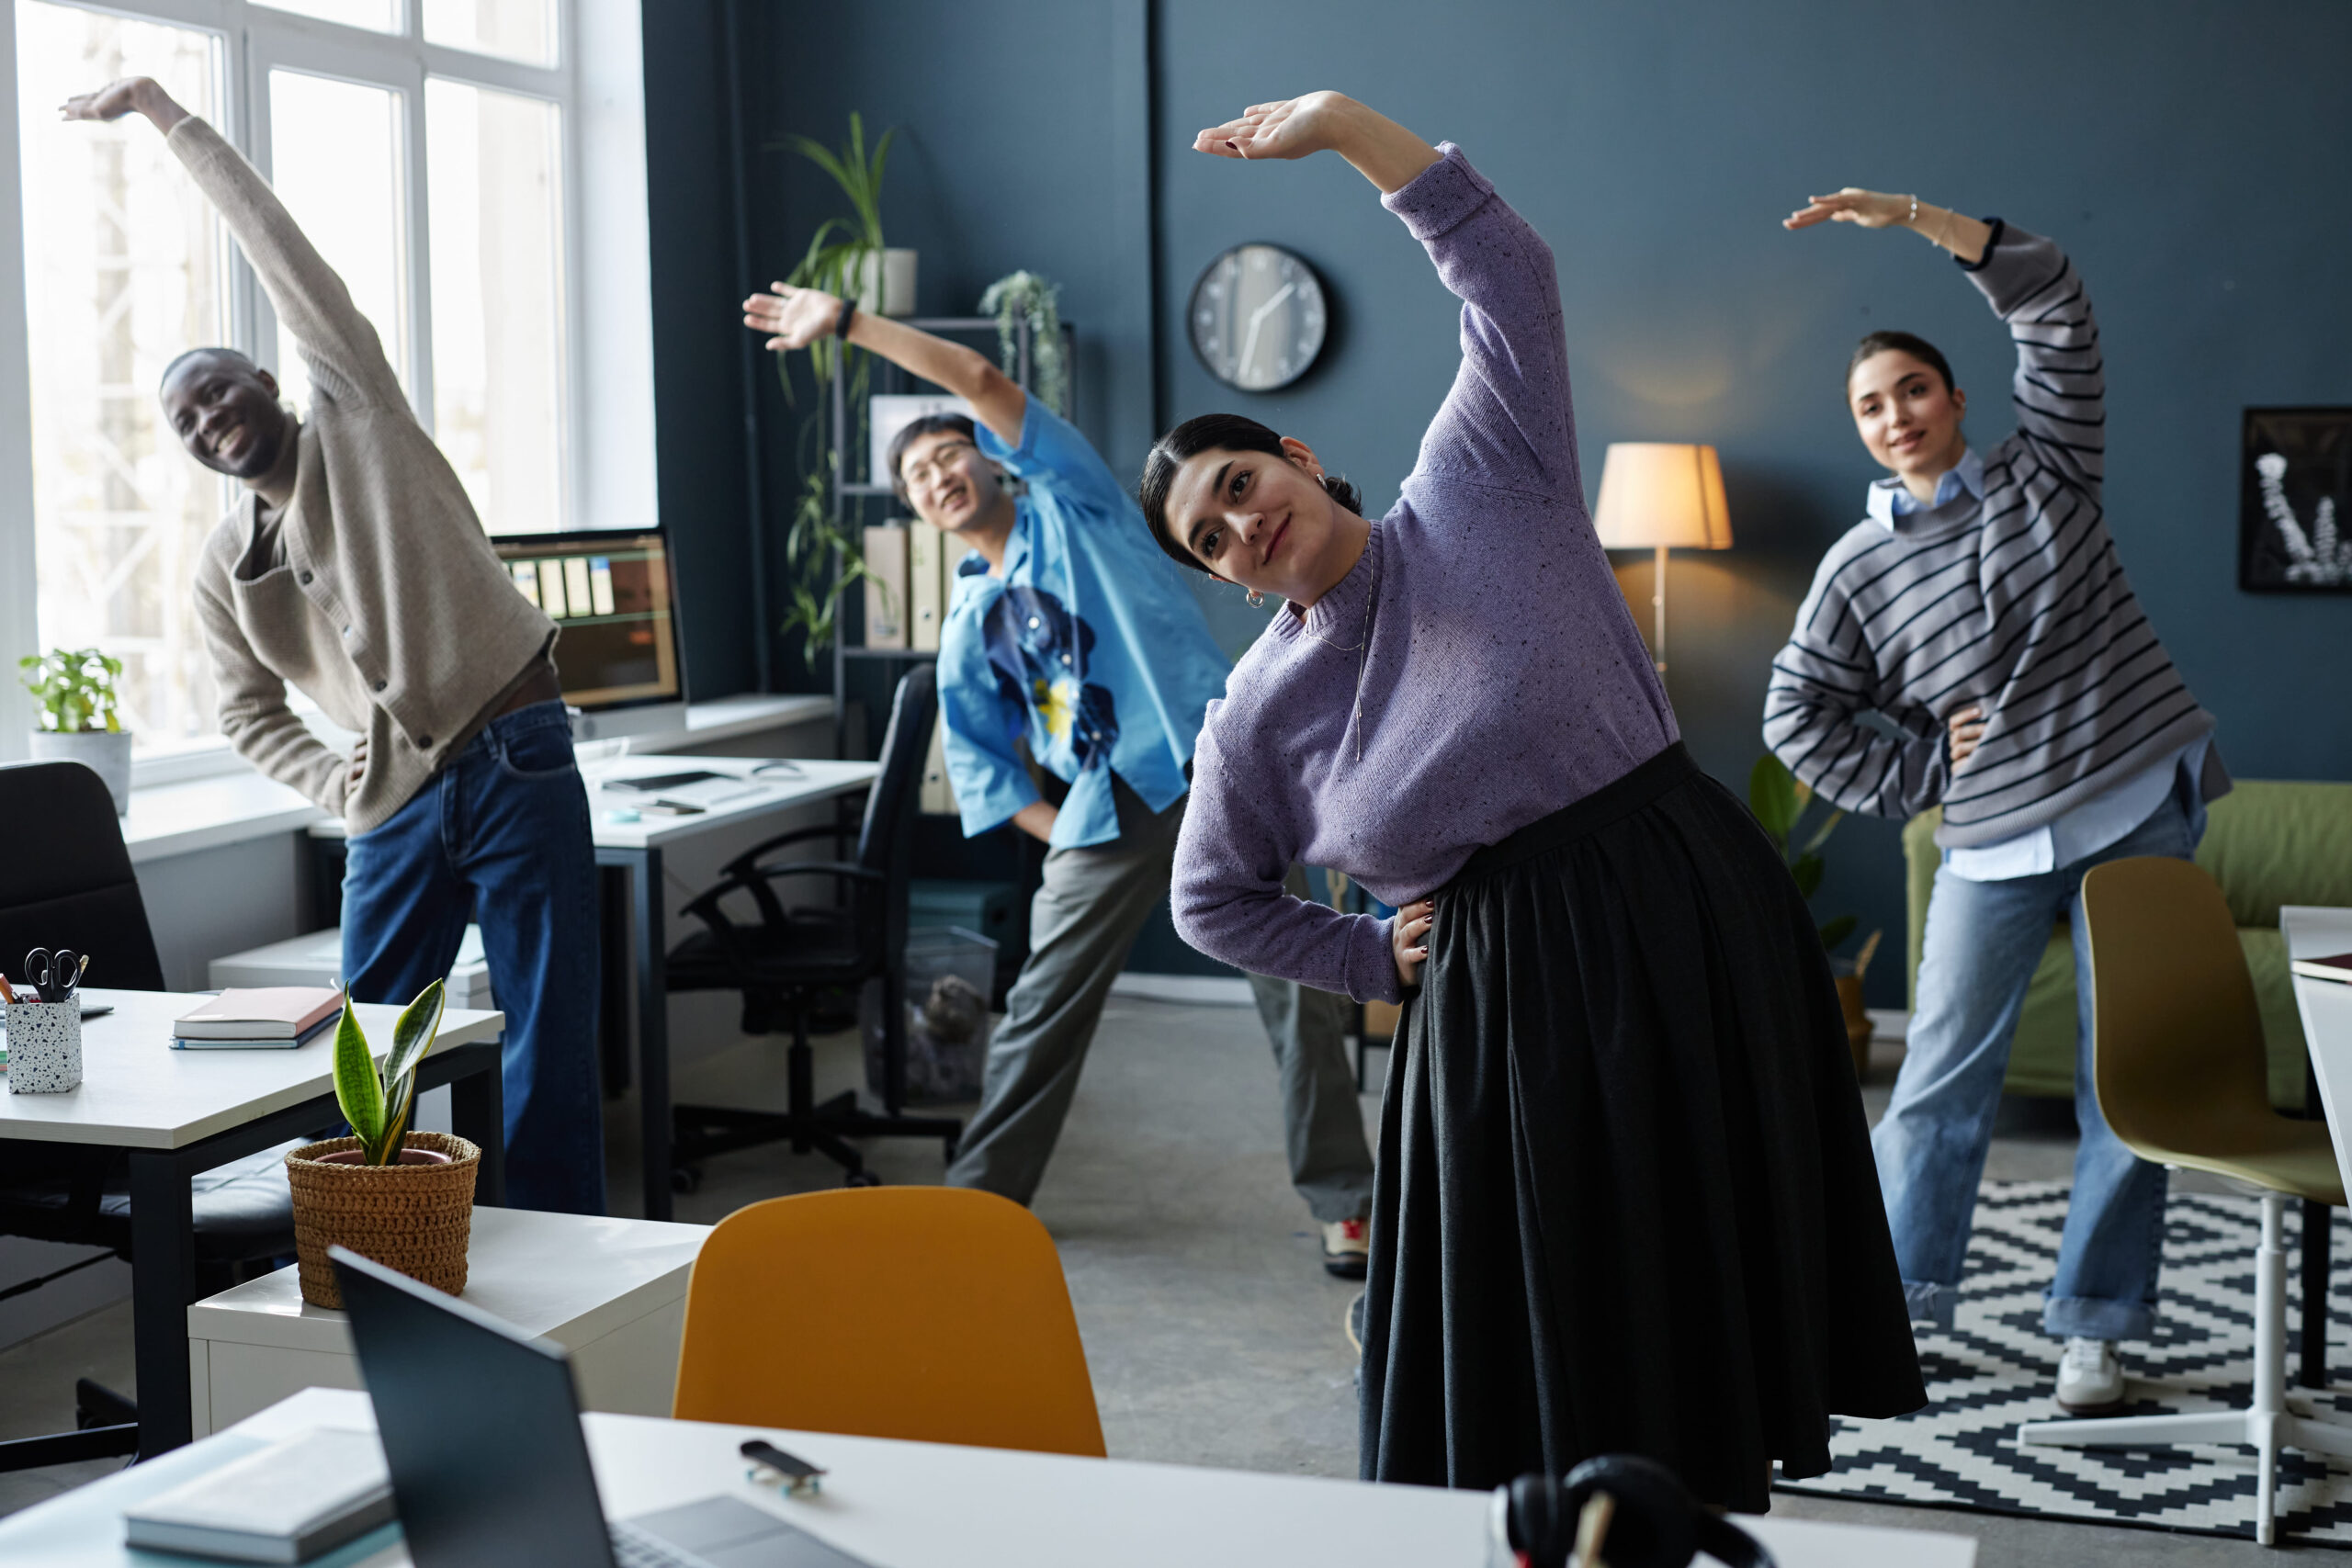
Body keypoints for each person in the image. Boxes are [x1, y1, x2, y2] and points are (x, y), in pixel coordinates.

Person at [1144, 92, 1922, 1507]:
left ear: (1299, 461)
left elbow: (1511, 276)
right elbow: (1209, 896)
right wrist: (1366, 954)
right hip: (1503, 989)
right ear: (1222, 577)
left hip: (1681, 897)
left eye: (1241, 483)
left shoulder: (1481, 480)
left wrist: (1344, 129)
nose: (1243, 523)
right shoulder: (1259, 709)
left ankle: (1700, 1504)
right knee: (1562, 1297)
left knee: (1702, 1251)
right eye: (1213, 537)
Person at [741, 285, 1377, 1273]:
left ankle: (1349, 1203)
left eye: (949, 452)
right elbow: (987, 772)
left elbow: (980, 378)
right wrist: (1071, 838)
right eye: (916, 474)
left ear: (988, 459)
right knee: (1042, 1007)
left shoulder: (1073, 504)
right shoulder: (963, 630)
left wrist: (852, 325)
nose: (938, 473)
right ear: (915, 508)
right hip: (1100, 812)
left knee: (1300, 992)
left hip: (1218, 770)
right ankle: (981, 1206)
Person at [65, 79, 603, 1215]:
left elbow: (283, 254)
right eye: (189, 421)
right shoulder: (222, 564)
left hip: (515, 751)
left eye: (221, 392)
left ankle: (564, 1269)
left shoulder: (359, 420)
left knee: (545, 1038)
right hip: (390, 808)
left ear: (266, 379)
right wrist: (334, 775)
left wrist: (171, 121)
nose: (213, 420)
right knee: (365, 1058)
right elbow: (244, 712)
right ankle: (372, 1260)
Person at [1766, 187, 2228, 1416]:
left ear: (1956, 398)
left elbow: (2060, 311)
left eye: (1913, 388)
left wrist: (1918, 217)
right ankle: (1896, 1309)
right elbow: (1795, 714)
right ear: (1860, 431)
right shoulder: (1856, 568)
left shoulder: (2050, 468)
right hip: (1989, 840)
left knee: (2131, 1081)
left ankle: (2098, 1324)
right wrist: (1925, 769)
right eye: (1870, 405)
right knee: (1935, 1088)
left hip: (2137, 800)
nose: (1895, 415)